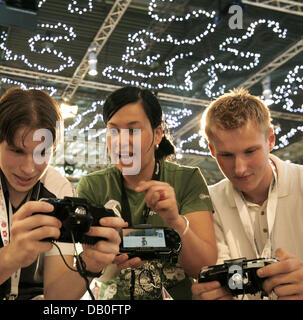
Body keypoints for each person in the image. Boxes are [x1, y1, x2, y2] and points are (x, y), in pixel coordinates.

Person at [0, 87, 125, 300]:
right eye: (17, 151)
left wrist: (90, 265)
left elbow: (57, 299)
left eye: (41, 153)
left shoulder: (59, 188)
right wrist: (13, 256)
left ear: (53, 148)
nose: (28, 168)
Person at [76, 86, 217, 300]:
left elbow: (204, 268)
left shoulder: (186, 180)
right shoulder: (93, 186)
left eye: (133, 130)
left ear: (157, 133)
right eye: (113, 131)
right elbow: (87, 261)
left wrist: (174, 221)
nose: (121, 141)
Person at [192, 88, 303, 300]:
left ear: (270, 139)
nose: (240, 169)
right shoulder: (208, 202)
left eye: (250, 151)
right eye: (226, 155)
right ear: (212, 151)